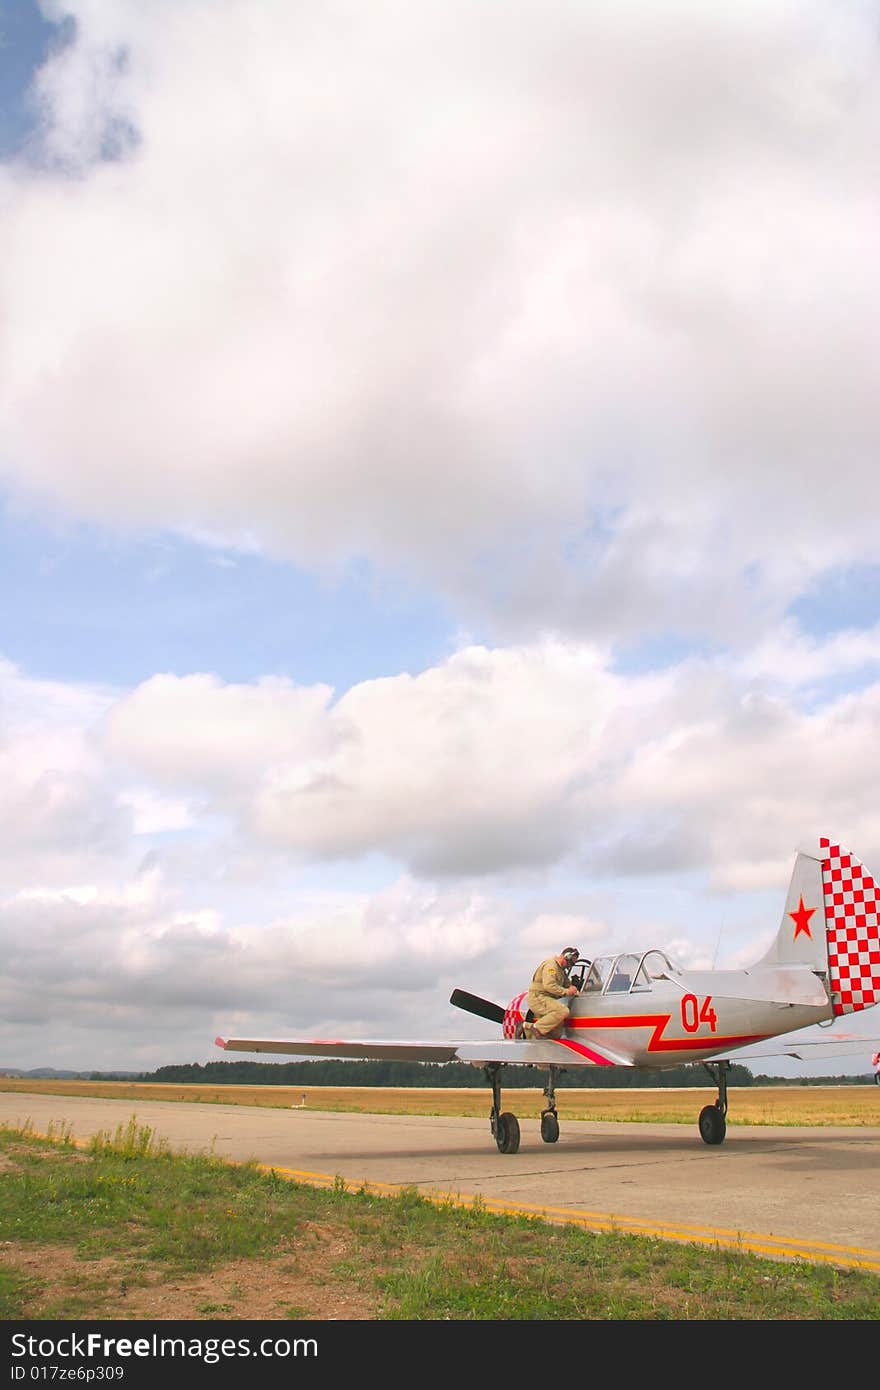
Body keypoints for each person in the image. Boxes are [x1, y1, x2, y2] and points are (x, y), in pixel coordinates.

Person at [518, 946, 581, 1039]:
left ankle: (525, 1026)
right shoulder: (551, 966)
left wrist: (576, 991)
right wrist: (567, 992)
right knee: (562, 1011)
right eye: (571, 963)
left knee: (556, 1034)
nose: (570, 966)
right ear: (566, 957)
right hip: (538, 997)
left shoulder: (561, 970)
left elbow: (567, 984)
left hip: (548, 999)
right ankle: (534, 1027)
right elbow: (549, 986)